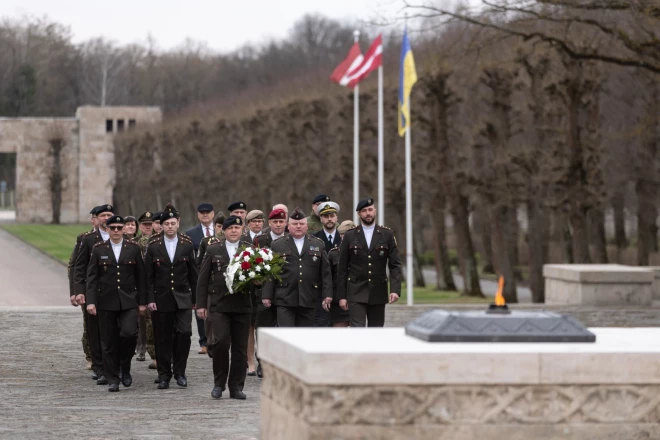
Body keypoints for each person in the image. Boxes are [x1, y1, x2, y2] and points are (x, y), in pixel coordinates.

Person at [85, 215, 146, 392]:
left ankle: (124, 366)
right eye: (114, 228)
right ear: (108, 229)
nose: (117, 231)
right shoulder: (99, 249)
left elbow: (140, 277)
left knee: (129, 334)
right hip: (106, 300)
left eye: (120, 228)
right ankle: (113, 377)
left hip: (128, 300)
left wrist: (142, 302)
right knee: (108, 340)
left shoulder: (133, 249)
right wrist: (91, 302)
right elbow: (92, 278)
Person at [196, 216, 253, 400]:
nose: (234, 231)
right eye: (230, 228)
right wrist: (201, 304)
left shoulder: (249, 250)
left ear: (242, 229)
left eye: (237, 227)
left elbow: (258, 276)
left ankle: (236, 386)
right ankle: (218, 384)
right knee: (220, 343)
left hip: (242, 304)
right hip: (219, 304)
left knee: (240, 347)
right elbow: (202, 279)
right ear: (224, 231)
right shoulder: (213, 249)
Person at [144, 203, 198, 389]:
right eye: (166, 223)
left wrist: (196, 300)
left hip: (183, 298)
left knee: (184, 333)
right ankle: (164, 374)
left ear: (178, 223)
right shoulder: (153, 246)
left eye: (173, 223)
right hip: (161, 298)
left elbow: (193, 275)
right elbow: (148, 277)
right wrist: (149, 299)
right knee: (163, 337)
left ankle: (180, 372)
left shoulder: (186, 244)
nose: (169, 226)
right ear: (162, 225)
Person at [336, 198, 403, 327]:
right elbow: (342, 268)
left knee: (376, 331)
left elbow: (395, 264)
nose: (368, 213)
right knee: (358, 330)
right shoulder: (350, 235)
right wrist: (342, 296)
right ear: (359, 214)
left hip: (378, 290)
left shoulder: (386, 234)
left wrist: (395, 290)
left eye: (370, 210)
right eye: (364, 211)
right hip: (356, 291)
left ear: (375, 211)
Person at [262, 208, 332, 327]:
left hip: (308, 296)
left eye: (301, 224)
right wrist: (267, 295)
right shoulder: (278, 245)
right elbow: (271, 272)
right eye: (295, 224)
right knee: (286, 335)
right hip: (284, 297)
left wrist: (328, 294)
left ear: (307, 226)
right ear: (288, 226)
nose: (298, 226)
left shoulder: (317, 244)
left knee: (303, 337)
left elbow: (325, 272)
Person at [73, 204, 115, 385]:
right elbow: (78, 266)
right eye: (103, 215)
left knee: (117, 330)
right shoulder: (88, 239)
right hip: (94, 292)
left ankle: (115, 365)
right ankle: (99, 366)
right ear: (96, 219)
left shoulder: (122, 237)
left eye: (109, 215)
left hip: (116, 292)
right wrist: (78, 292)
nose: (106, 218)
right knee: (95, 331)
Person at [252, 207, 288, 378]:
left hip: (285, 291)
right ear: (270, 223)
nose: (278, 225)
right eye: (275, 222)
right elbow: (253, 262)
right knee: (263, 328)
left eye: (281, 221)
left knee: (283, 328)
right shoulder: (260, 240)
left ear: (286, 222)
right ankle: (262, 362)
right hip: (263, 291)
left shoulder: (291, 239)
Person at [68, 206, 98, 371]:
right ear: (93, 219)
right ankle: (91, 357)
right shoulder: (84, 238)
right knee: (90, 326)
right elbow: (74, 265)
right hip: (88, 289)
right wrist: (75, 291)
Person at [185, 202, 215, 355]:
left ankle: (215, 339)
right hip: (199, 274)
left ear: (213, 214)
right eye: (202, 212)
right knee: (200, 307)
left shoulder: (221, 230)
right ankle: (204, 341)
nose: (205, 215)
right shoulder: (191, 233)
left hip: (217, 275)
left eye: (208, 212)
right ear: (198, 215)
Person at [312, 201, 341, 327]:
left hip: (340, 291)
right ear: (320, 218)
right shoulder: (313, 239)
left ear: (336, 217)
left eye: (332, 215)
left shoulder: (345, 238)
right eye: (325, 216)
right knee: (321, 327)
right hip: (320, 291)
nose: (329, 219)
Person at [135, 211, 155, 362]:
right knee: (140, 319)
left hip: (154, 285)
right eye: (145, 224)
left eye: (150, 224)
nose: (148, 227)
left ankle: (153, 350)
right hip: (138, 286)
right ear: (140, 226)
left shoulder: (157, 241)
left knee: (152, 320)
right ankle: (141, 347)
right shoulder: (134, 243)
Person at [328, 220, 355, 327]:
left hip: (356, 299)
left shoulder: (361, 253)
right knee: (339, 335)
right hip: (338, 300)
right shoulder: (333, 253)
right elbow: (328, 277)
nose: (345, 237)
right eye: (343, 234)